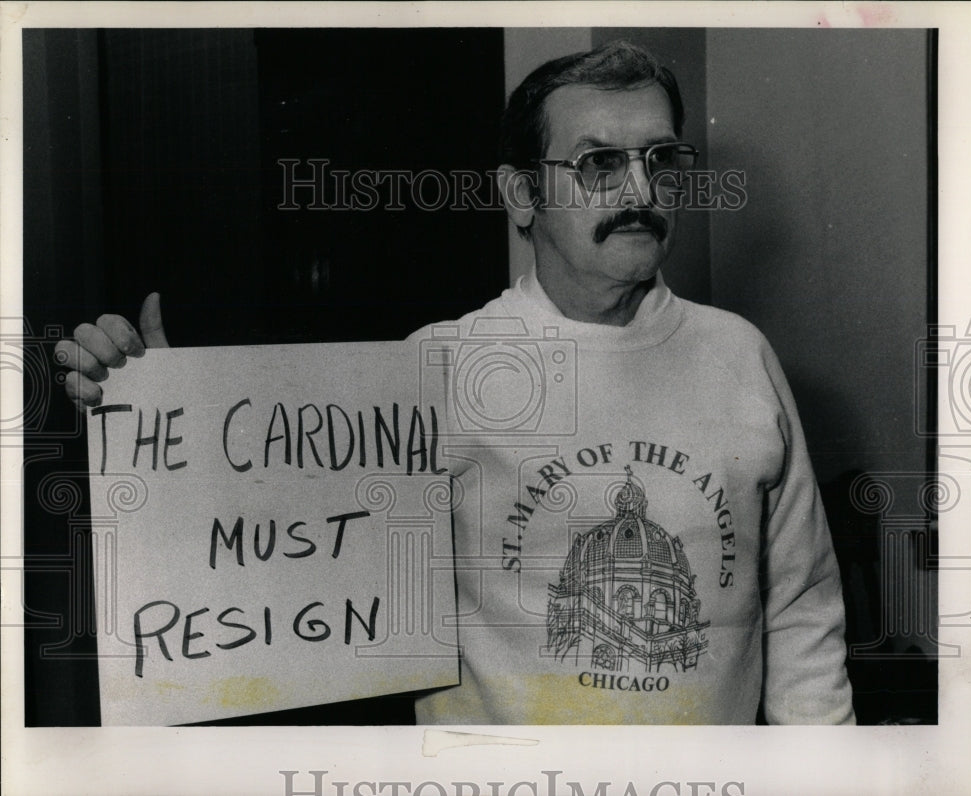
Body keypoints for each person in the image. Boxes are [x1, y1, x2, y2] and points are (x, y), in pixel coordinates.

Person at [55, 40, 855, 724]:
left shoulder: (740, 356)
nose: (640, 192)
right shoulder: (434, 370)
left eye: (660, 160)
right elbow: (255, 567)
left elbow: (803, 614)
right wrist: (148, 416)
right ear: (520, 194)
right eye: (599, 163)